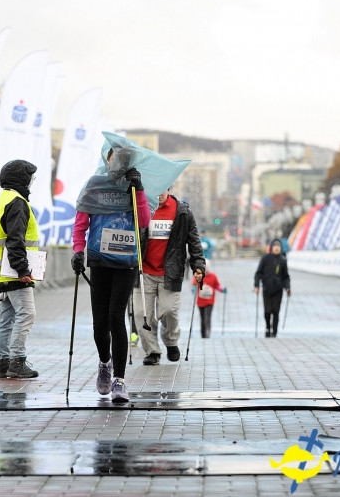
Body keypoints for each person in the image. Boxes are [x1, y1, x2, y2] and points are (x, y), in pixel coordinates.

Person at [72, 147, 150, 403]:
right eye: (115, 158)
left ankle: (119, 380)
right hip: (99, 260)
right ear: (107, 160)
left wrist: (138, 189)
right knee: (100, 323)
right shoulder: (95, 185)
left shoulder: (133, 187)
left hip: (126, 262)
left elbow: (144, 221)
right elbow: (81, 223)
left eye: (123, 160)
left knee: (116, 317)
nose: (118, 163)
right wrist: (78, 251)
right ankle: (104, 362)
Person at [130, 189, 205, 365]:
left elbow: (194, 240)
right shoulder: (142, 207)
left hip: (170, 272)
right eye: (155, 190)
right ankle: (152, 351)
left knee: (168, 310)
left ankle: (171, 341)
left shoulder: (182, 211)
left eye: (162, 190)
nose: (159, 194)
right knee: (142, 314)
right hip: (143, 272)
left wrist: (198, 265)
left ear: (169, 189)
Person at [0, 159, 40, 379]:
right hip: (14, 272)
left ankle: (2, 363)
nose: (31, 182)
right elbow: (15, 239)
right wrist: (23, 270)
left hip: (2, 271)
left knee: (8, 318)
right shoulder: (17, 202)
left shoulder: (4, 198)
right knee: (27, 313)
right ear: (22, 179)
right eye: (30, 177)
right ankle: (17, 361)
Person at [254, 239, 291, 338]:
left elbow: (286, 277)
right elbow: (258, 273)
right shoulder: (265, 258)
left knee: (276, 311)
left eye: (278, 246)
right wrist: (256, 285)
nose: (276, 248)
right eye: (275, 246)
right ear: (271, 247)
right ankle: (267, 327)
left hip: (278, 290)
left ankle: (274, 330)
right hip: (266, 288)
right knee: (267, 311)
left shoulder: (283, 260)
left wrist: (288, 288)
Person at [192, 271, 225, 339]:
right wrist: (194, 288)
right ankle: (203, 334)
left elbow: (217, 286)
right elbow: (194, 284)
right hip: (200, 301)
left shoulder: (213, 276)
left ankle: (207, 333)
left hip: (210, 301)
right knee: (202, 318)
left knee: (207, 317)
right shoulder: (198, 275)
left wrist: (222, 290)